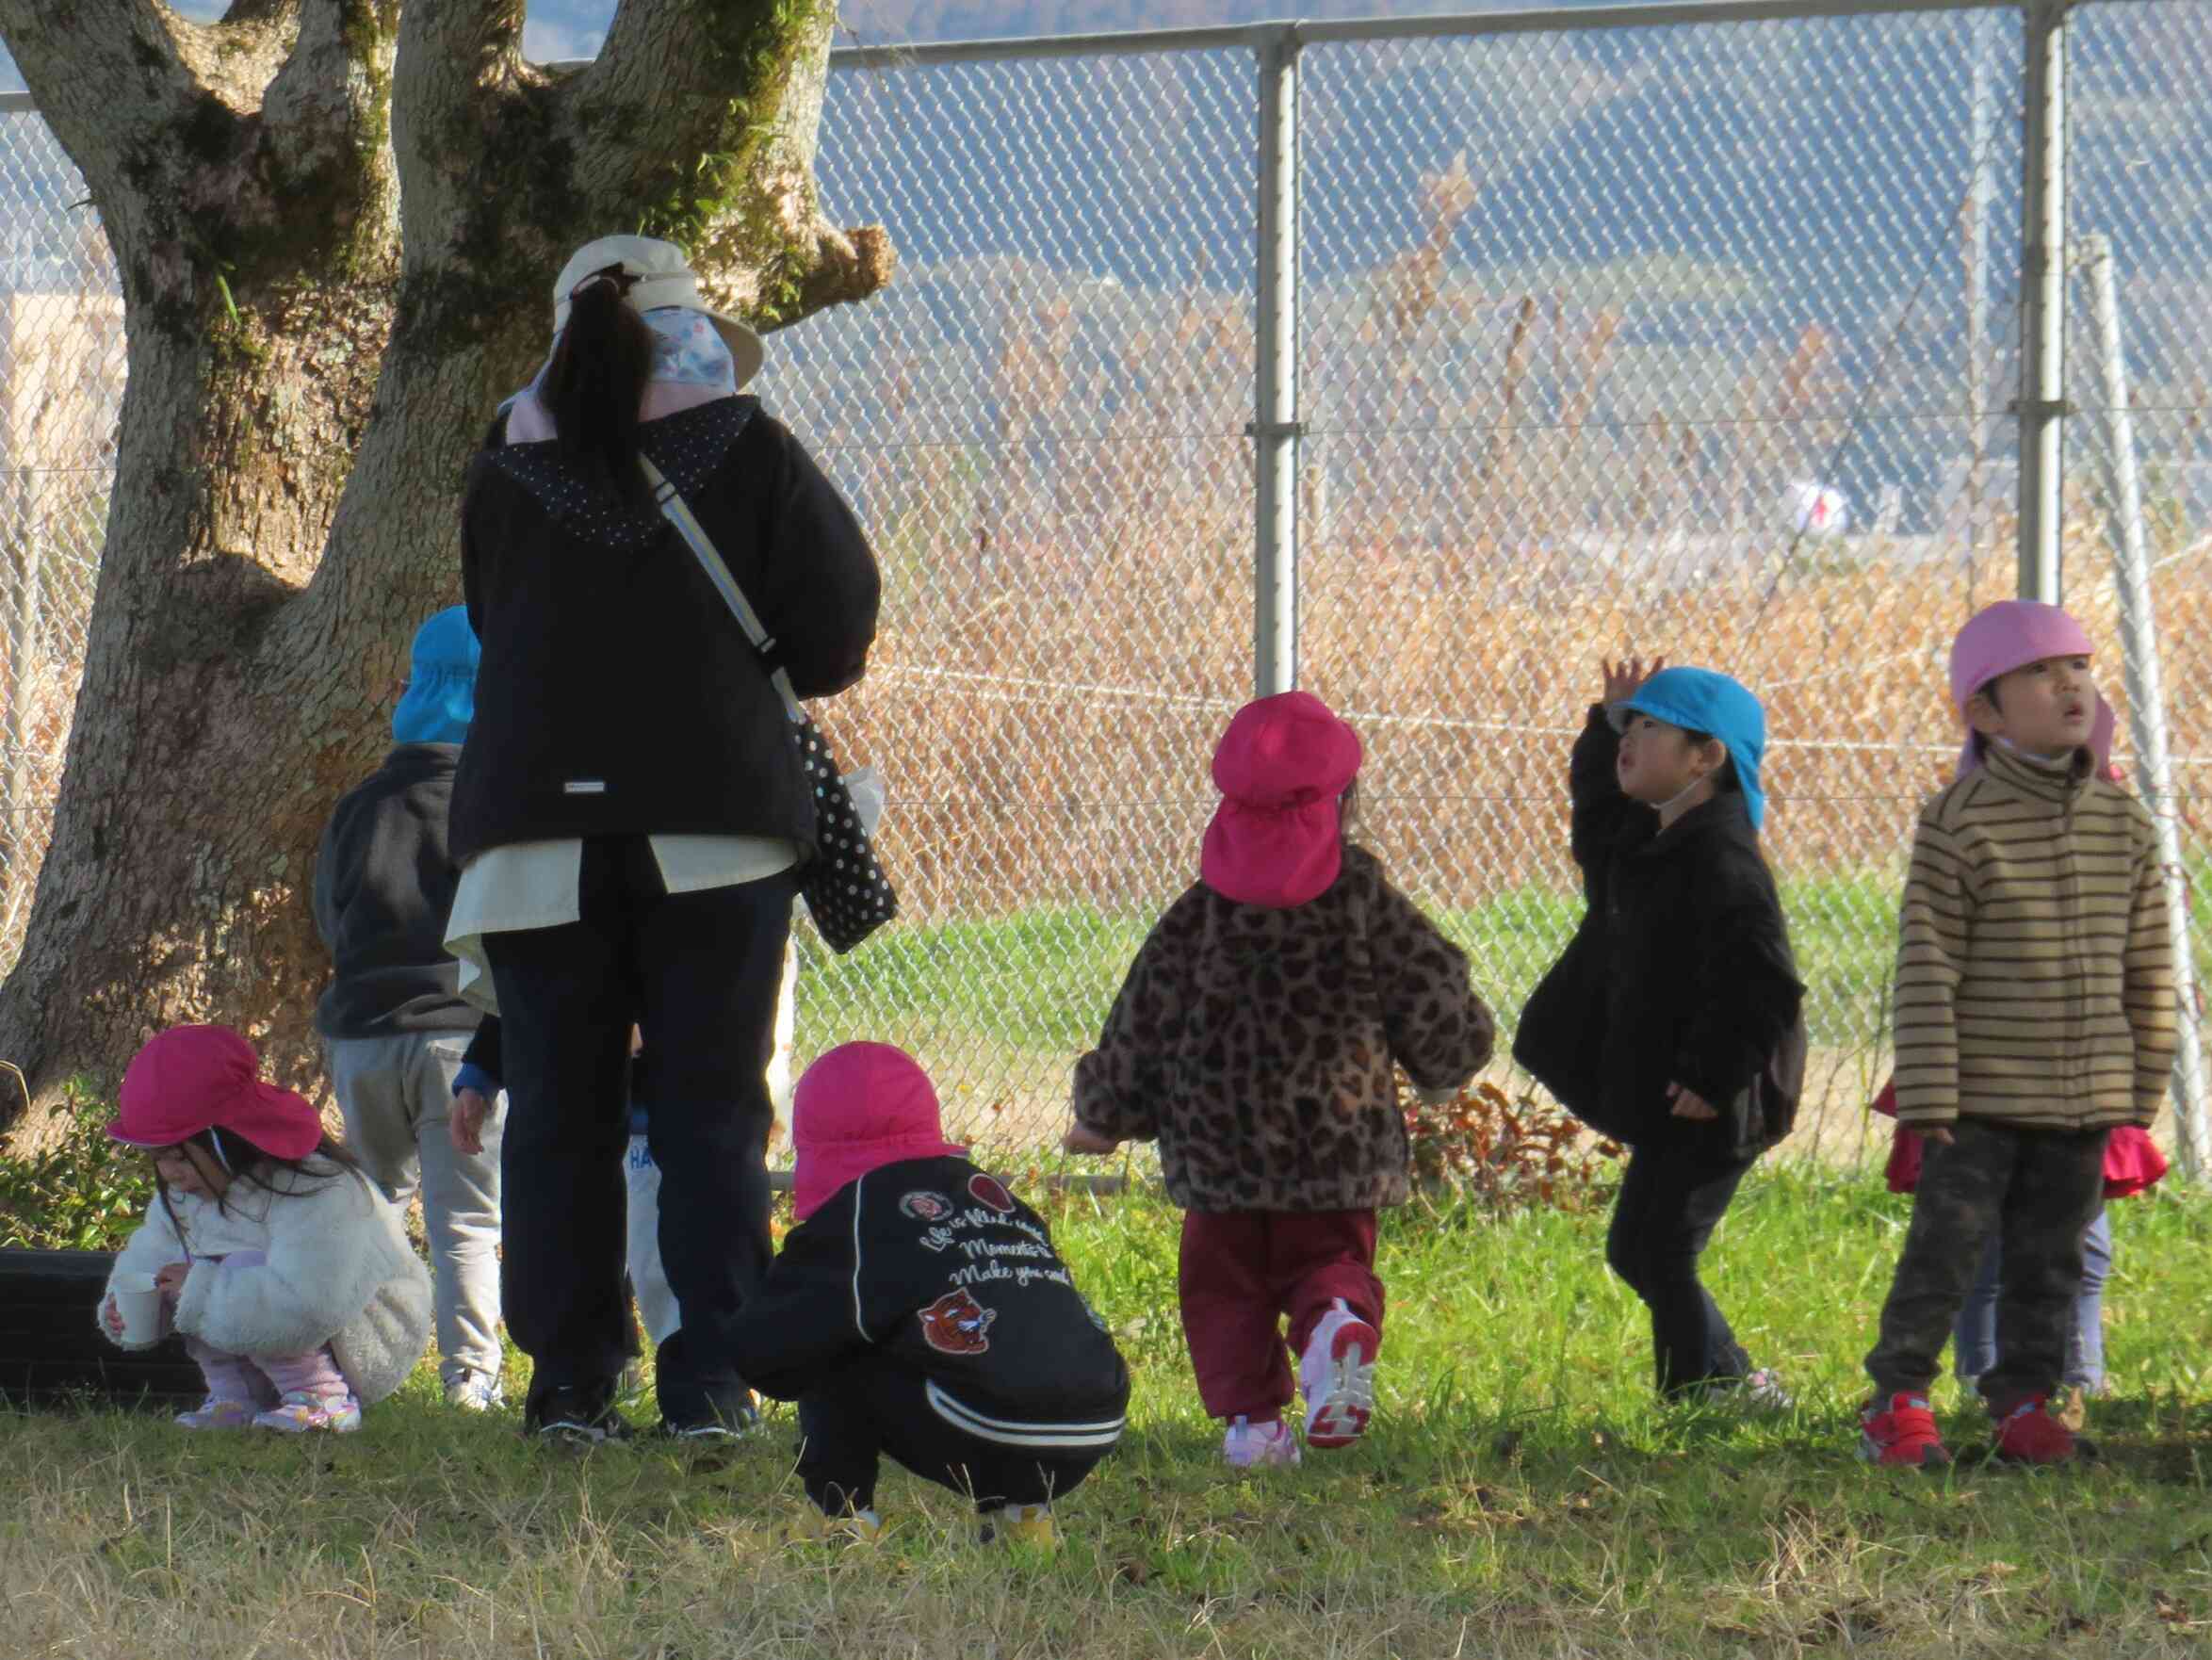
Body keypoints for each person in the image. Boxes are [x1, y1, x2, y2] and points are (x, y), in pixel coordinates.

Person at [443, 235, 879, 1443]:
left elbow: (490, 622)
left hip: (530, 836)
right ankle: (712, 1378)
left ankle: (569, 1382)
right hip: (716, 834)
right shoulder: (749, 447)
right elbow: (837, 632)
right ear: (693, 328)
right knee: (708, 1114)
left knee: (557, 1115)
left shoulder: (503, 460)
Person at [1065, 692, 1494, 1468]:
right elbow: (1429, 988)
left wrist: (1104, 1111)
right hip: (1338, 1140)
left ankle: (1254, 1426)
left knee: (1222, 1287)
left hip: (1217, 1147)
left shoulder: (1200, 913)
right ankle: (1332, 1321)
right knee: (1330, 1255)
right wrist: (1447, 1064)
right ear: (1342, 799)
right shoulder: (1364, 897)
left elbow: (1143, 1019)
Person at [1860, 601, 2176, 1467]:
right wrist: (1927, 1094)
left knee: (2051, 1261)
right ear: (1985, 712)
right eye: (2039, 671)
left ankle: (2026, 1405)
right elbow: (1927, 966)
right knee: (1947, 1254)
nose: (2068, 682)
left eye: (2078, 665)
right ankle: (1897, 1399)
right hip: (1980, 1100)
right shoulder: (1959, 819)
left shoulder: (2126, 823)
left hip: (2082, 1103)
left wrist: (2141, 1085)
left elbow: (2151, 965)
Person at [1514, 659, 1806, 1408]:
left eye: (1651, 727)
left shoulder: (1721, 858)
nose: (1630, 739)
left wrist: (1713, 1078)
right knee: (1644, 1248)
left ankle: (1701, 1395)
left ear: (1705, 759)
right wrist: (1600, 725)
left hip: (1720, 1097)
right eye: (1630, 725)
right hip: (1677, 1087)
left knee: (1657, 1250)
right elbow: (1596, 822)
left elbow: (1764, 983)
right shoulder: (1650, 842)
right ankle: (1727, 1383)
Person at [730, 1044, 1129, 1549]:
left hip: (986, 1427)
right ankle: (1025, 1519)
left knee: (831, 1337)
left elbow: (767, 1352)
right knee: (1002, 1354)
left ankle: (838, 1519)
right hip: (1096, 1421)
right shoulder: (995, 1195)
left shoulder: (856, 1212)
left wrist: (735, 1332)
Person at [313, 605, 504, 1410]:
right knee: (466, 1220)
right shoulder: (498, 805)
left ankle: (360, 1370)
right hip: (461, 1039)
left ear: (413, 688)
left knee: (377, 1207)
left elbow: (330, 914)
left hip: (360, 1036)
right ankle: (470, 1378)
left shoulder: (361, 805)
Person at [97, 1025, 431, 1433]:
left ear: (224, 1140)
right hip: (285, 1319)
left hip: (367, 1332)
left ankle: (322, 1397)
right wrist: (126, 1305)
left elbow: (311, 1304)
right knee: (192, 1275)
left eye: (179, 1158)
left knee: (216, 1274)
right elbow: (152, 1253)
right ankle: (238, 1397)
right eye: (158, 1159)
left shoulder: (319, 1188)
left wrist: (198, 1287)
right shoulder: (185, 1192)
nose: (170, 1175)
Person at [1872, 1076, 2167, 1423]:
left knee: (2086, 1255)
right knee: (1984, 1256)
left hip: (2075, 1086)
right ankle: (1981, 1381)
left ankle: (2083, 1381)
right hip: (1983, 1090)